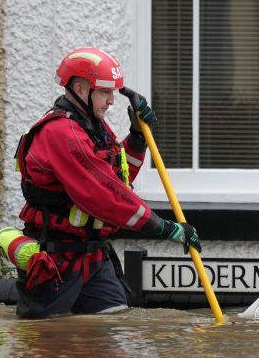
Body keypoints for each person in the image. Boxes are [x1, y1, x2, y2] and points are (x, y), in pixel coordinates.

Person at [11, 46, 201, 319]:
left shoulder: (94, 127)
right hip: (56, 261)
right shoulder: (62, 133)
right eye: (104, 92)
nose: (112, 101)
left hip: (93, 257)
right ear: (79, 88)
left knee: (112, 326)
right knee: (46, 337)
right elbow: (104, 195)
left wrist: (137, 136)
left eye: (113, 92)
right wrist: (163, 227)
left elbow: (119, 180)